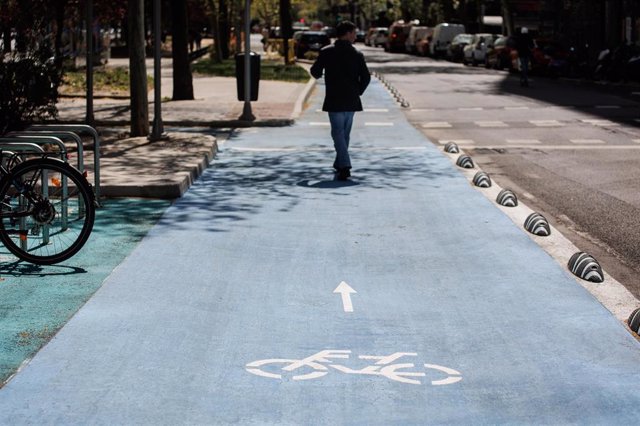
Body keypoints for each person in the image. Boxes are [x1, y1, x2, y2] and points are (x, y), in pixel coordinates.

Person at [310, 20, 371, 180]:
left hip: (334, 98)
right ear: (348, 33)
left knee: (338, 133)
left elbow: (315, 72)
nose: (355, 36)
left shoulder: (326, 52)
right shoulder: (357, 54)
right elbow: (366, 77)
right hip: (351, 99)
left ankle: (344, 165)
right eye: (354, 33)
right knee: (344, 134)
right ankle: (340, 164)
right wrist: (358, 91)